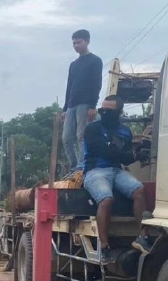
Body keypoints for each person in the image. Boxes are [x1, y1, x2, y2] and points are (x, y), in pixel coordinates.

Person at [81, 94, 154, 264]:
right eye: (102, 110)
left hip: (116, 170)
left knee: (139, 190)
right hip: (95, 171)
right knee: (106, 199)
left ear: (120, 112)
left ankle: (142, 237)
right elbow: (106, 151)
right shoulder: (92, 129)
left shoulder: (125, 131)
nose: (104, 114)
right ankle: (104, 246)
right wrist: (133, 155)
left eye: (109, 111)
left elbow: (124, 159)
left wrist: (137, 154)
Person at [62, 29, 103, 173]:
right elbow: (69, 86)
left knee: (81, 136)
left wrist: (92, 106)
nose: (76, 46)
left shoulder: (95, 61)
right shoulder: (73, 65)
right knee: (66, 138)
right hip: (71, 105)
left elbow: (97, 84)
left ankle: (81, 166)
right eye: (74, 43)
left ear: (87, 41)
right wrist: (65, 108)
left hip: (85, 104)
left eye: (78, 42)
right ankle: (73, 166)